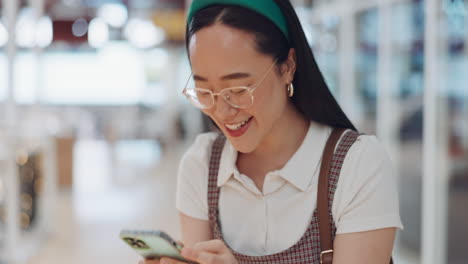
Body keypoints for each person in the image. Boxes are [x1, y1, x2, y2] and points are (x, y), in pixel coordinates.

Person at [141, 0, 402, 263]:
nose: (222, 111)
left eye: (239, 89)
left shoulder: (356, 165)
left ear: (287, 66)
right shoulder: (202, 165)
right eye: (204, 91)